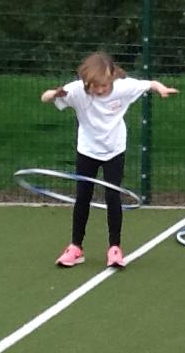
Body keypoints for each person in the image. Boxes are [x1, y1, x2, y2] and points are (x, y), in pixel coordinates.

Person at [41, 52, 177, 268]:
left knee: (112, 195)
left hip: (114, 149)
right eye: (95, 86)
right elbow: (46, 97)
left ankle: (114, 248)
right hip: (87, 150)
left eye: (104, 85)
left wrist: (161, 89)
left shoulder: (123, 87)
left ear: (112, 77)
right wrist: (51, 94)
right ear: (87, 82)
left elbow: (149, 84)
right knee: (83, 196)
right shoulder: (76, 91)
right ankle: (76, 247)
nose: (100, 90)